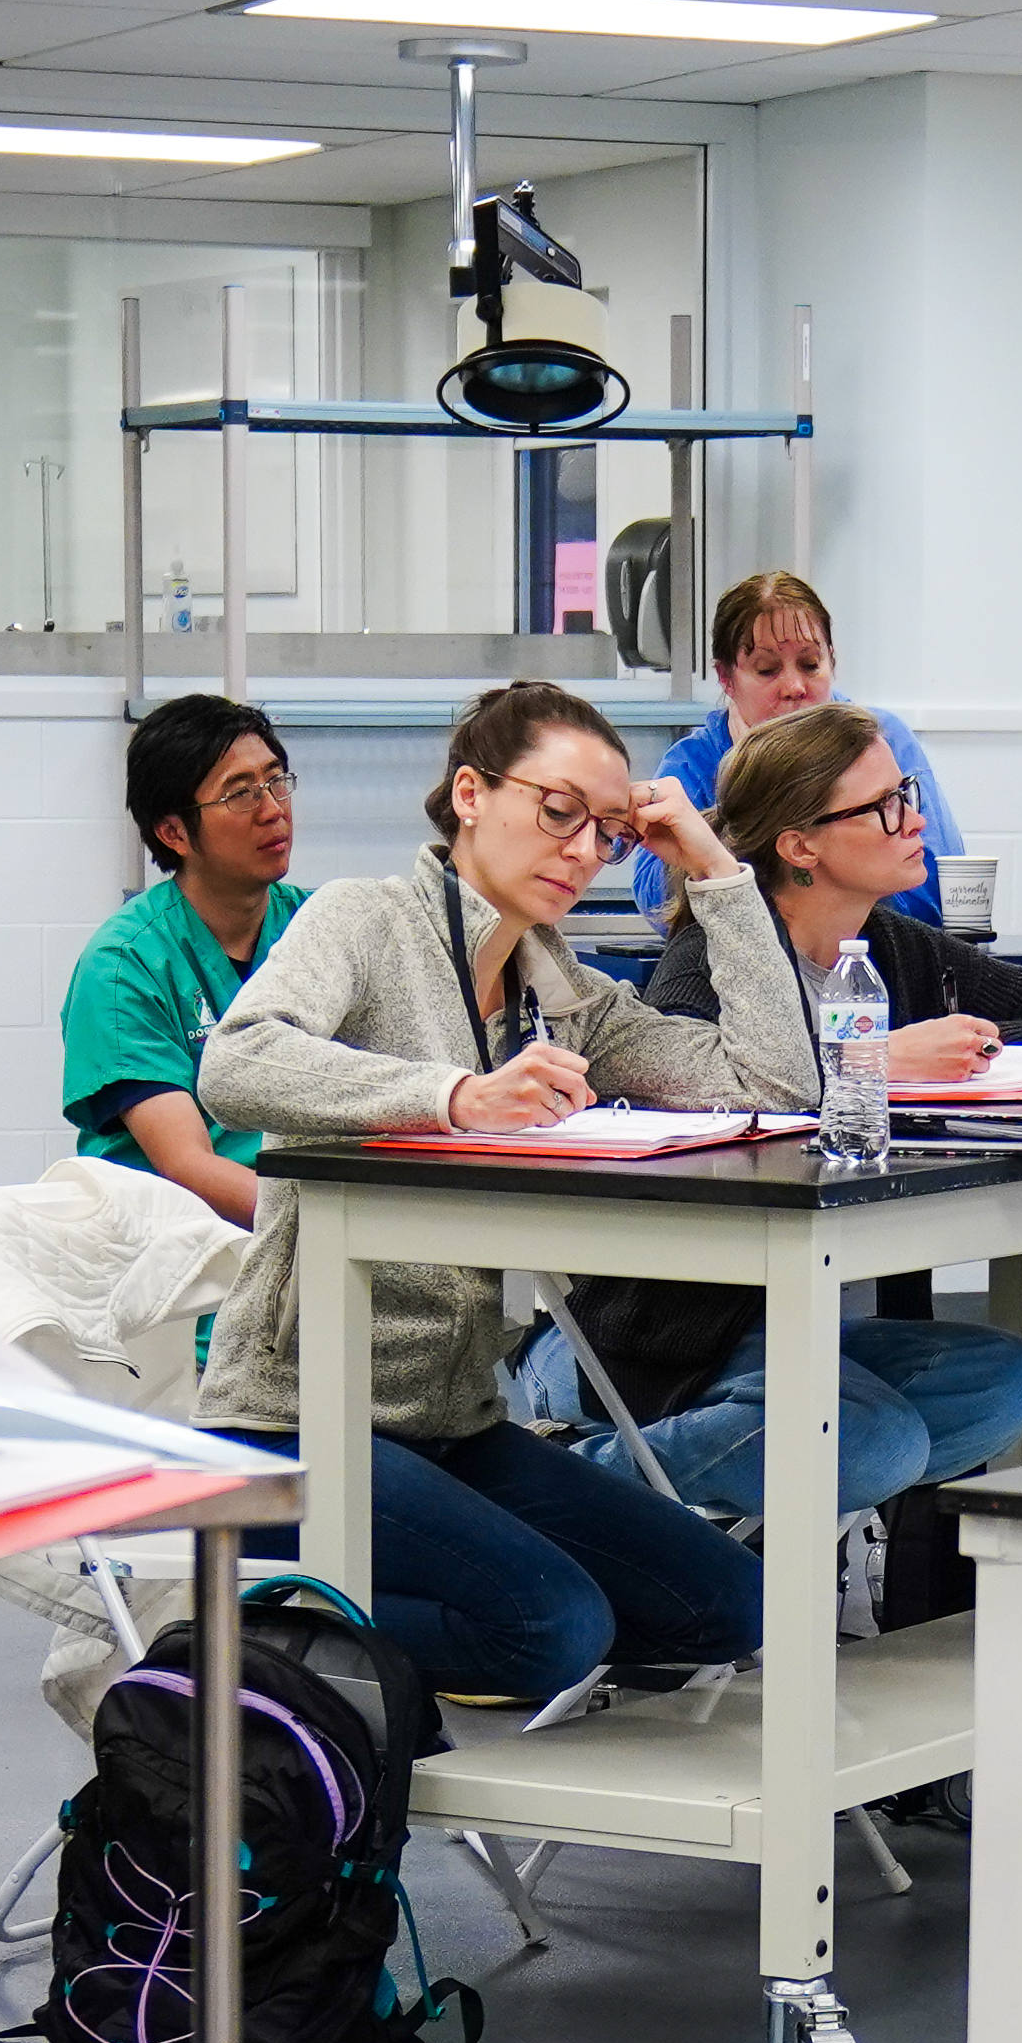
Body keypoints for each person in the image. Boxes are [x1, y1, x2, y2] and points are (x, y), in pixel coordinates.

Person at [193, 679, 804, 1706]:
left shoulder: (563, 992)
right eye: (557, 812)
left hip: (456, 1422)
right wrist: (453, 1096)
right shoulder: (366, 919)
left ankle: (329, 1618)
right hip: (292, 1423)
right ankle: (232, 1629)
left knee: (728, 1605)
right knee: (547, 1626)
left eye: (607, 832)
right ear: (470, 794)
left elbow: (774, 1085)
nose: (580, 850)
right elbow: (237, 1065)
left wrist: (711, 866)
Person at [517, 700, 1022, 1516]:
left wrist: (966, 1043)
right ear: (800, 846)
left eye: (906, 792)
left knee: (1003, 1380)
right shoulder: (708, 956)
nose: (914, 818)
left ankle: (738, 1501)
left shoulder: (896, 947)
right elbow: (695, 1096)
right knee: (874, 1441)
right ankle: (555, 1481)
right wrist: (866, 1062)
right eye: (885, 806)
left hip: (803, 1303)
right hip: (667, 1330)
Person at [61, 691, 304, 1230]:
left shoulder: (320, 926)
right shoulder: (124, 967)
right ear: (173, 832)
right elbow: (187, 1166)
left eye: (276, 780)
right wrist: (322, 1225)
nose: (272, 809)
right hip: (184, 1254)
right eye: (240, 794)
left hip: (310, 1220)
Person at [630, 569, 948, 926]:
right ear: (726, 677)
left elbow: (934, 895)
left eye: (811, 665)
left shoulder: (884, 741)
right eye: (767, 670)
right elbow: (662, 908)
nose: (795, 686)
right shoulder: (694, 764)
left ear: (832, 659)